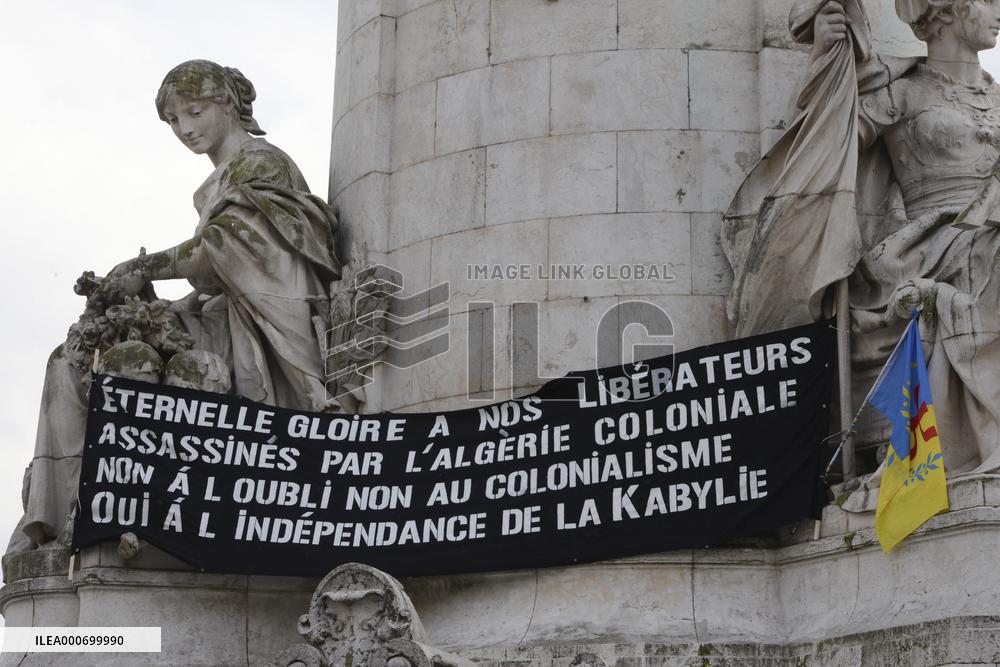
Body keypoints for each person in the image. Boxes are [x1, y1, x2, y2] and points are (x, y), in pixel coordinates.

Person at [8, 60, 342, 553]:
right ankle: (60, 516)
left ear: (227, 103)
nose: (185, 128)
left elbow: (227, 249)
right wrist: (155, 306)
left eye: (195, 112)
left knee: (128, 365)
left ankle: (134, 508)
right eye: (173, 120)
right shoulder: (218, 182)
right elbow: (212, 279)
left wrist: (143, 267)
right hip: (222, 317)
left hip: (259, 332)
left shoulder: (261, 165)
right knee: (69, 359)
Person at [724, 0, 1000, 475]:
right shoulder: (903, 92)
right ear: (946, 13)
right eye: (987, 1)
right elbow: (825, 143)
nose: (998, 11)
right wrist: (825, 57)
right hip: (933, 244)